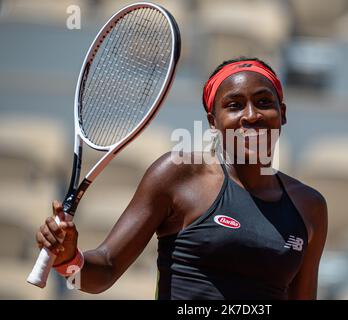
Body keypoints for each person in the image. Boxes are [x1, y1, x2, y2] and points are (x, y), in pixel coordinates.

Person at [36, 57, 328, 300]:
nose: (250, 115)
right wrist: (68, 260)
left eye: (264, 102)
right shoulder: (177, 174)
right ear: (213, 122)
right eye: (234, 105)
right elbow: (105, 271)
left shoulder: (310, 206)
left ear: (282, 114)